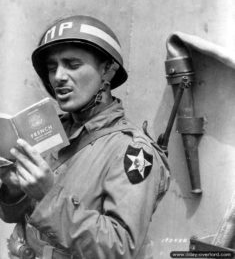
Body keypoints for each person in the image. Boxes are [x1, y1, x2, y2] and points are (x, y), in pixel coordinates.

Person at [0, 15, 170, 259]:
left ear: (107, 70)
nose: (58, 76)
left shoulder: (131, 150)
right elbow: (15, 216)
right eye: (52, 67)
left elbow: (119, 249)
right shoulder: (51, 133)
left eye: (72, 64)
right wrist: (15, 189)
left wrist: (48, 196)